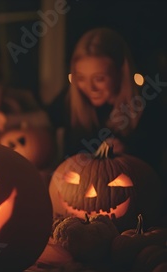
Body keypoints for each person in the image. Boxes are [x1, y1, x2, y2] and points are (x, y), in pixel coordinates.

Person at [45, 27, 166, 176]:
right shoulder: (70, 100)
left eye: (99, 79)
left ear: (120, 72)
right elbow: (42, 122)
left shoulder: (147, 108)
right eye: (81, 78)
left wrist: (127, 153)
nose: (90, 88)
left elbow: (152, 172)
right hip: (73, 187)